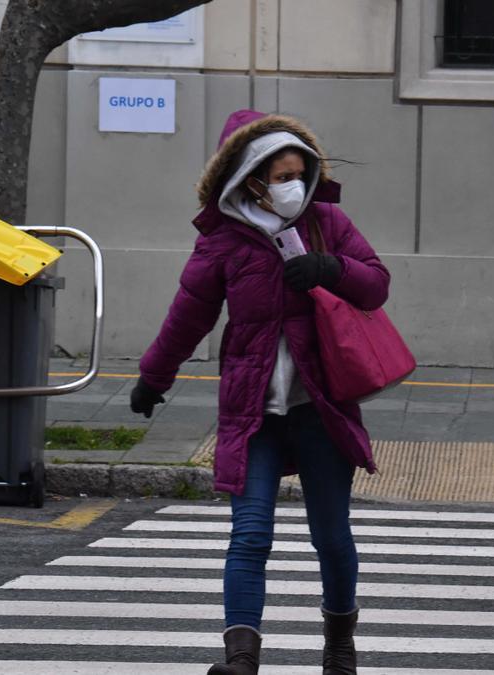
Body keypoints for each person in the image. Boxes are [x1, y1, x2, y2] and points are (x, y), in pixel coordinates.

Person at [130, 109, 389, 675]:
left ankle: (339, 644)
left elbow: (375, 284)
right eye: (282, 175)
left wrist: (330, 267)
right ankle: (241, 660)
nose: (295, 184)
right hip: (253, 412)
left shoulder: (326, 222)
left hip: (321, 407)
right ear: (250, 178)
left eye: (302, 171)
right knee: (250, 535)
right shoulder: (224, 241)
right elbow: (187, 316)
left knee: (331, 534)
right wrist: (155, 376)